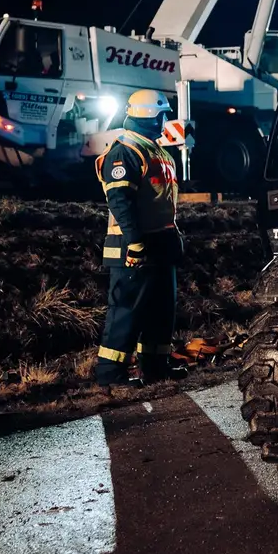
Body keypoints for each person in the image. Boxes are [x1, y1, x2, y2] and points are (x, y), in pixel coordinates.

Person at [93, 89, 184, 388]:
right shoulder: (125, 151)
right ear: (148, 114)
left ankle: (156, 367)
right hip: (134, 247)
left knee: (161, 310)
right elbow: (120, 202)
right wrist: (135, 242)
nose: (165, 120)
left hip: (159, 246)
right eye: (162, 114)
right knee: (126, 312)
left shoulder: (154, 150)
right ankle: (110, 375)